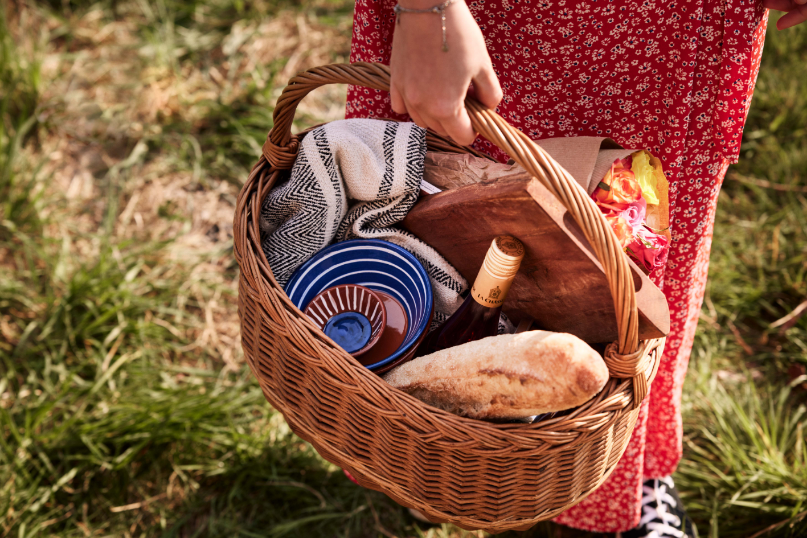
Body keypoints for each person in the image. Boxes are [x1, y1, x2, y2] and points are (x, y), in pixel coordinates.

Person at [344, 0, 806, 535]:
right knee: (460, 199)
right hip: (521, 25)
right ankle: (438, 462)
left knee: (641, 282)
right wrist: (429, 13)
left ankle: (624, 472)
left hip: (677, 37)